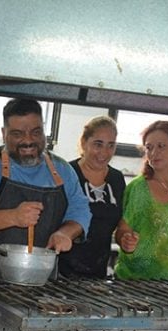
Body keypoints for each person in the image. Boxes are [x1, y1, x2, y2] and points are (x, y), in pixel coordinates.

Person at [0, 98, 91, 279]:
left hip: (42, 286)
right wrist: (14, 217)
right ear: (4, 134)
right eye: (18, 134)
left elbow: (80, 210)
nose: (28, 141)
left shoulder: (63, 170)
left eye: (35, 132)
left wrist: (65, 233)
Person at [114, 120, 168, 279]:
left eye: (161, 146)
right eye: (149, 147)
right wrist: (125, 240)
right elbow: (122, 229)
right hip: (135, 280)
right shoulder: (138, 188)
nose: (154, 153)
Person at [58, 115, 126, 278]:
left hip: (98, 273)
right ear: (83, 143)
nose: (104, 152)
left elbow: (121, 223)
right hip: (60, 271)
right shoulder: (66, 173)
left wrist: (126, 236)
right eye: (98, 144)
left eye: (111, 145)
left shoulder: (117, 179)